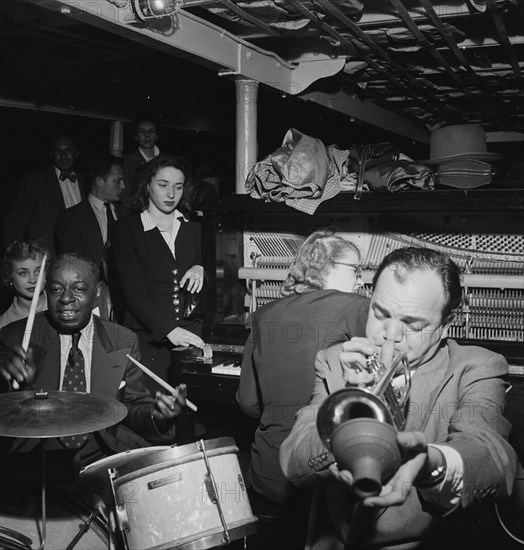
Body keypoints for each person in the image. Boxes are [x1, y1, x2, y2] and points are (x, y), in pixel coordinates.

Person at [280, 247, 517, 549]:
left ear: (446, 323)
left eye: (412, 324)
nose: (389, 335)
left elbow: (493, 458)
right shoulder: (336, 360)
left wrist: (430, 464)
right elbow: (295, 465)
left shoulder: (475, 367)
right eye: (380, 313)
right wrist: (352, 404)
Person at [0, 253, 187, 470]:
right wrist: (8, 379)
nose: (66, 298)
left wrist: (158, 414)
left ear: (97, 291)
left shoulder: (121, 340)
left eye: (78, 289)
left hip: (103, 455)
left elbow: (131, 406)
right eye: (56, 289)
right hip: (40, 461)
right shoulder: (14, 338)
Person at [237, 229, 370, 506]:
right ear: (327, 267)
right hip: (322, 480)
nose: (361, 280)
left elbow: (248, 405)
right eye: (356, 270)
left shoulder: (262, 316)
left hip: (268, 472)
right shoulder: (357, 307)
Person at [111, 154, 205, 390]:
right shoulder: (125, 230)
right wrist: (170, 330)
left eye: (178, 187)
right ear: (147, 185)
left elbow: (222, 268)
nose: (171, 194)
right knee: (152, 415)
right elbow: (134, 294)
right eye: (163, 185)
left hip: (192, 335)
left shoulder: (197, 228)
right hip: (147, 338)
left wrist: (203, 267)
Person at [55, 154, 127, 320]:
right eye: (117, 181)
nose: (123, 186)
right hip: (92, 299)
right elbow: (76, 264)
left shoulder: (126, 216)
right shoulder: (70, 218)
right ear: (99, 181)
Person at [2, 135, 86, 250]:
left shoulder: (87, 181)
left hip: (81, 257)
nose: (63, 156)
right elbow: (15, 224)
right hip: (46, 258)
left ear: (77, 154)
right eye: (58, 151)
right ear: (51, 155)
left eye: (68, 150)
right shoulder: (35, 181)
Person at [0, 239, 51, 331]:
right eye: (23, 273)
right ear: (10, 277)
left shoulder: (61, 307)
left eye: (38, 271)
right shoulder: (4, 326)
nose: (32, 280)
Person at [121, 115, 160, 207]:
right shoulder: (126, 162)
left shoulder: (165, 162)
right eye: (142, 131)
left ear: (156, 136)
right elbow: (124, 197)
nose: (147, 135)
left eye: (151, 131)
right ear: (136, 136)